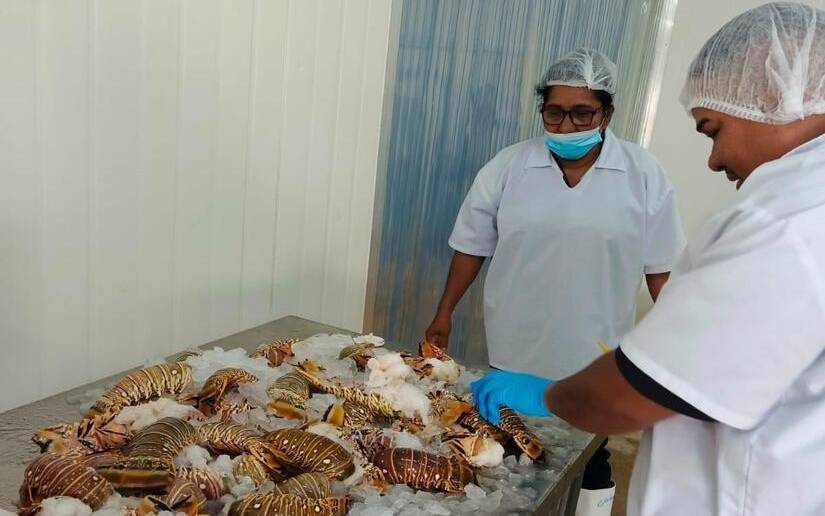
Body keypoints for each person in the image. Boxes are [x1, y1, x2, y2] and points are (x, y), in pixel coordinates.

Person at [471, 3, 825, 515]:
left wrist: (547, 396)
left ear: (776, 96)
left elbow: (634, 391)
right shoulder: (510, 165)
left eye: (713, 130)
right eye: (554, 111)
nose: (714, 159)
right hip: (527, 342)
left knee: (583, 465)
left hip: (744, 491)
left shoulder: (786, 223)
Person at [426, 47, 685, 514]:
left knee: (587, 455)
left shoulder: (641, 174)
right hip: (516, 342)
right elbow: (471, 245)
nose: (566, 126)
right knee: (510, 450)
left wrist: (673, 346)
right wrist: (444, 312)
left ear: (607, 113)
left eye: (582, 113)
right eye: (554, 112)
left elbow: (661, 269)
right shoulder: (510, 166)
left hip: (594, 351)